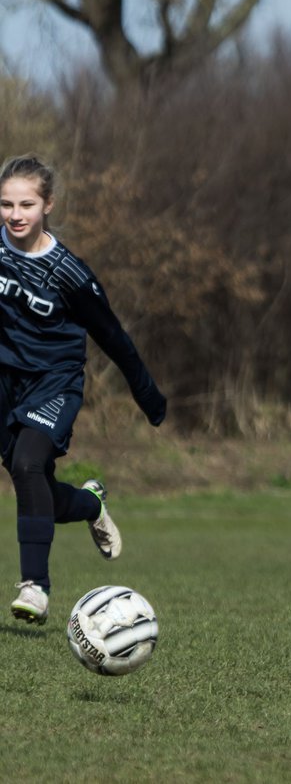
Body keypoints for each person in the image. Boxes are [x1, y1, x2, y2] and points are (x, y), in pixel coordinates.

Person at [0, 154, 167, 625]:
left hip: (55, 381)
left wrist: (149, 397)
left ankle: (35, 587)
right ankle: (92, 503)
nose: (15, 214)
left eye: (26, 204)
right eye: (6, 204)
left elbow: (113, 337)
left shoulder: (69, 273)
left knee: (28, 464)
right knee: (36, 492)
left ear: (47, 204)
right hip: (5, 380)